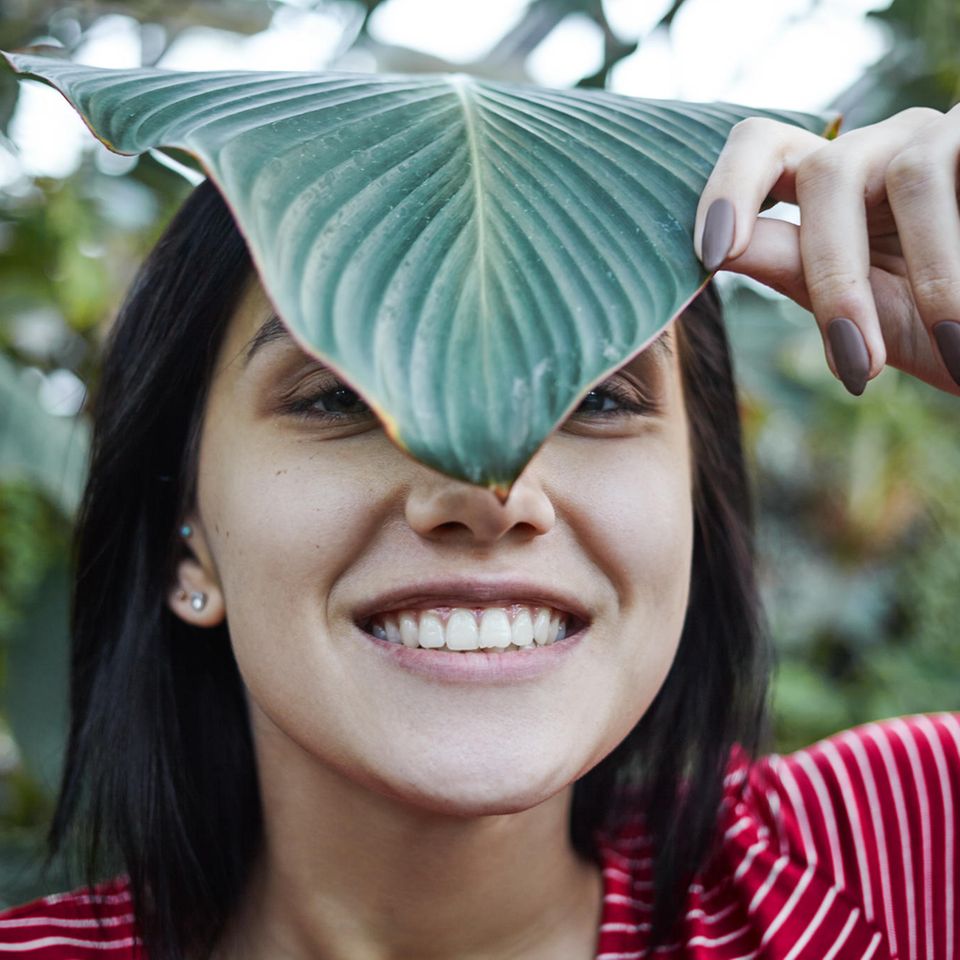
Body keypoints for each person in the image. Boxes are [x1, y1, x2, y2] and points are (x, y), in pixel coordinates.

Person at [0, 102, 958, 960]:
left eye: (596, 396)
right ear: (186, 539)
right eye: (342, 394)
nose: (491, 490)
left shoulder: (901, 857)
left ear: (694, 500)